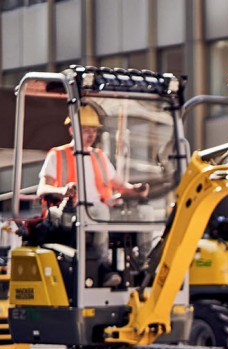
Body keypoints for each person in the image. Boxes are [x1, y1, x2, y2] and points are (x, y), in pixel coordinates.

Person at [37, 103, 150, 287]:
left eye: (94, 131)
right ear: (72, 130)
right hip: (71, 214)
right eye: (85, 130)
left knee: (146, 213)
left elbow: (120, 186)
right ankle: (103, 267)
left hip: (100, 211)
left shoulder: (99, 156)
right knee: (101, 211)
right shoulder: (57, 155)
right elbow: (42, 190)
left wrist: (136, 189)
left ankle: (145, 265)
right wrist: (62, 190)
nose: (91, 135)